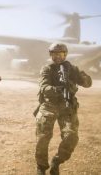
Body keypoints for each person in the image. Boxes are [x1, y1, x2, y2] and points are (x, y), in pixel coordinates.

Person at [34, 43, 92, 175]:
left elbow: (88, 83)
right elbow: (44, 87)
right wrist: (58, 89)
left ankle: (57, 161)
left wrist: (83, 78)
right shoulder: (47, 69)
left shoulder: (72, 69)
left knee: (71, 136)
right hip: (49, 106)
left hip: (67, 106)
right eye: (54, 54)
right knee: (42, 137)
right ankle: (41, 167)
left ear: (65, 55)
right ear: (51, 55)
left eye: (60, 54)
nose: (57, 57)